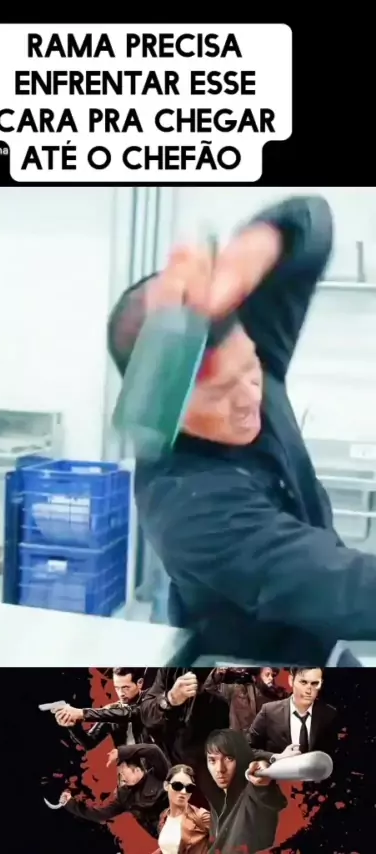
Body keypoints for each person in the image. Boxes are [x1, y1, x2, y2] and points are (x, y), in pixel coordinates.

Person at [107, 194, 376, 663]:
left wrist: (246, 259)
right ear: (168, 410)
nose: (250, 397)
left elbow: (310, 220)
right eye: (219, 394)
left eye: (250, 368)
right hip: (247, 678)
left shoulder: (239, 350)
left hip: (319, 647)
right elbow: (338, 586)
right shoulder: (188, 505)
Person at [140, 669, 229, 806]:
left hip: (218, 773)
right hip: (176, 768)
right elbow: (146, 713)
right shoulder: (171, 668)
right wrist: (170, 699)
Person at [57, 742, 170, 839]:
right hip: (166, 837)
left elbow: (154, 751)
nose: (121, 778)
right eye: (119, 774)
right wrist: (70, 804)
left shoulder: (160, 774)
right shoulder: (124, 796)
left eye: (123, 773)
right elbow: (100, 814)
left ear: (136, 770)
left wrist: (120, 752)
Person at [205, 728, 287, 854]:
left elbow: (263, 792)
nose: (220, 769)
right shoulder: (216, 801)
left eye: (229, 758)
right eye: (212, 760)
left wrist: (263, 772)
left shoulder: (251, 794)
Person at [248, 667, 337, 759]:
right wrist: (275, 757)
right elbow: (247, 749)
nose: (308, 691)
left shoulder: (328, 714)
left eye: (315, 683)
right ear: (291, 680)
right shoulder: (269, 711)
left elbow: (334, 755)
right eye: (303, 682)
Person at [54, 667, 149, 751]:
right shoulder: (112, 710)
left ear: (139, 683)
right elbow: (89, 743)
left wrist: (82, 713)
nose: (121, 693)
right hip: (129, 764)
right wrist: (73, 726)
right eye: (117, 688)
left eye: (126, 688)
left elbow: (130, 713)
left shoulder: (151, 701)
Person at [202, 666, 288, 732]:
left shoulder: (278, 696)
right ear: (255, 677)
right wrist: (218, 673)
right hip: (240, 743)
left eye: (273, 675)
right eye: (267, 675)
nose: (271, 678)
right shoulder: (238, 691)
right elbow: (210, 686)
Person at [156, 764, 211, 854]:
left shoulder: (201, 816)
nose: (183, 792)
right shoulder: (164, 816)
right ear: (166, 785)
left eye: (189, 788)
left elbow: (228, 838)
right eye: (177, 786)